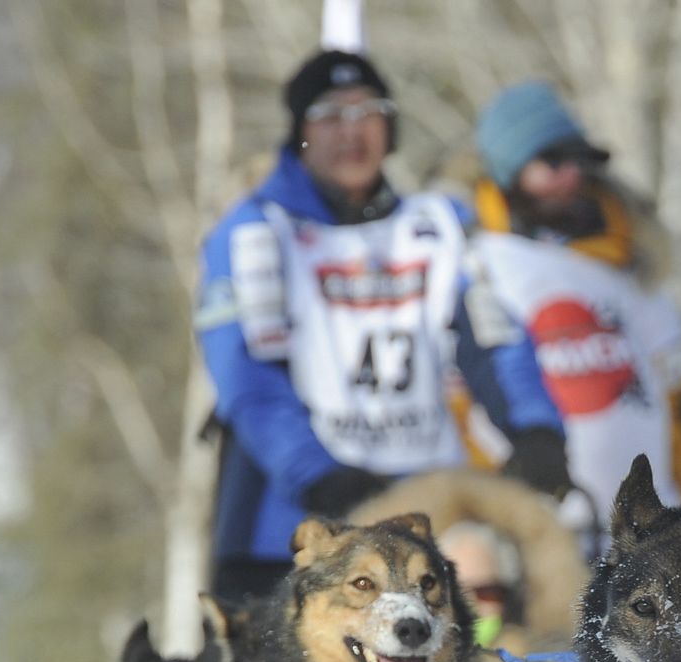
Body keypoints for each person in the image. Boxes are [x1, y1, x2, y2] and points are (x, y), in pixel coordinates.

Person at [195, 47, 569, 601]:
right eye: (329, 116)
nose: (351, 132)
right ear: (299, 131)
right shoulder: (255, 232)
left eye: (368, 111)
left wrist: (536, 430)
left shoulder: (441, 225)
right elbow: (247, 377)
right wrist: (320, 476)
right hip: (288, 524)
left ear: (391, 128)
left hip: (421, 514)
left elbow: (495, 340)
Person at [467, 80, 681, 538]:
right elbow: (464, 398)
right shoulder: (482, 264)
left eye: (578, 160)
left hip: (649, 534)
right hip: (537, 529)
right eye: (551, 161)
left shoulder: (633, 266)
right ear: (508, 171)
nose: (571, 176)